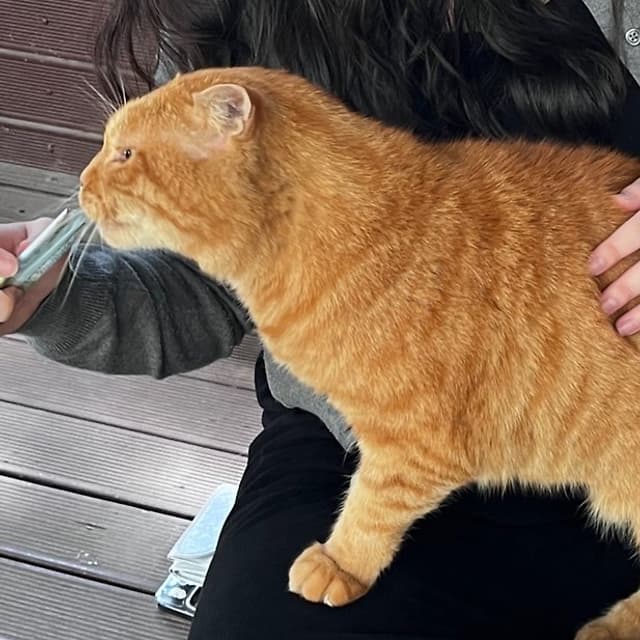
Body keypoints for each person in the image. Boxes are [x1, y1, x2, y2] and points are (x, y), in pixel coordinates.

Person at [2, 1, 640, 638]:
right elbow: (195, 286)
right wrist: (54, 291)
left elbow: (426, 435)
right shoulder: (228, 35)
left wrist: (352, 554)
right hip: (356, 445)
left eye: (119, 155)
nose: (89, 175)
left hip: (595, 429)